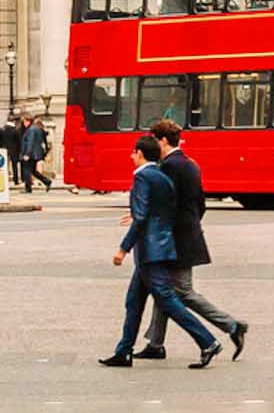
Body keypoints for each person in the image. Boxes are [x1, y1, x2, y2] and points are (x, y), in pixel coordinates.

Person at [101, 134, 220, 369]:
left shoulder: (143, 177)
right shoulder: (162, 177)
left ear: (140, 154)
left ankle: (208, 341)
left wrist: (123, 248)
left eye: (133, 153)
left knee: (168, 300)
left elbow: (142, 216)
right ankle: (124, 350)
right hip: (162, 246)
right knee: (133, 301)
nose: (131, 156)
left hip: (149, 251)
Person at [136, 120, 247, 362]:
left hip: (175, 240)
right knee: (163, 289)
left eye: (154, 140)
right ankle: (155, 343)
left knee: (182, 292)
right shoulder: (190, 164)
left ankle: (231, 326)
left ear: (163, 141)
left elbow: (165, 206)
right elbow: (200, 204)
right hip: (188, 235)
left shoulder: (168, 168)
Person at [22, 115, 53, 192]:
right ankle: (47, 181)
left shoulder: (31, 130)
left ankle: (28, 188)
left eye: (24, 122)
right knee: (33, 171)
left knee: (26, 170)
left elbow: (30, 142)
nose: (24, 124)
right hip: (36, 153)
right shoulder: (37, 128)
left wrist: (27, 154)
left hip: (31, 153)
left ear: (28, 121)